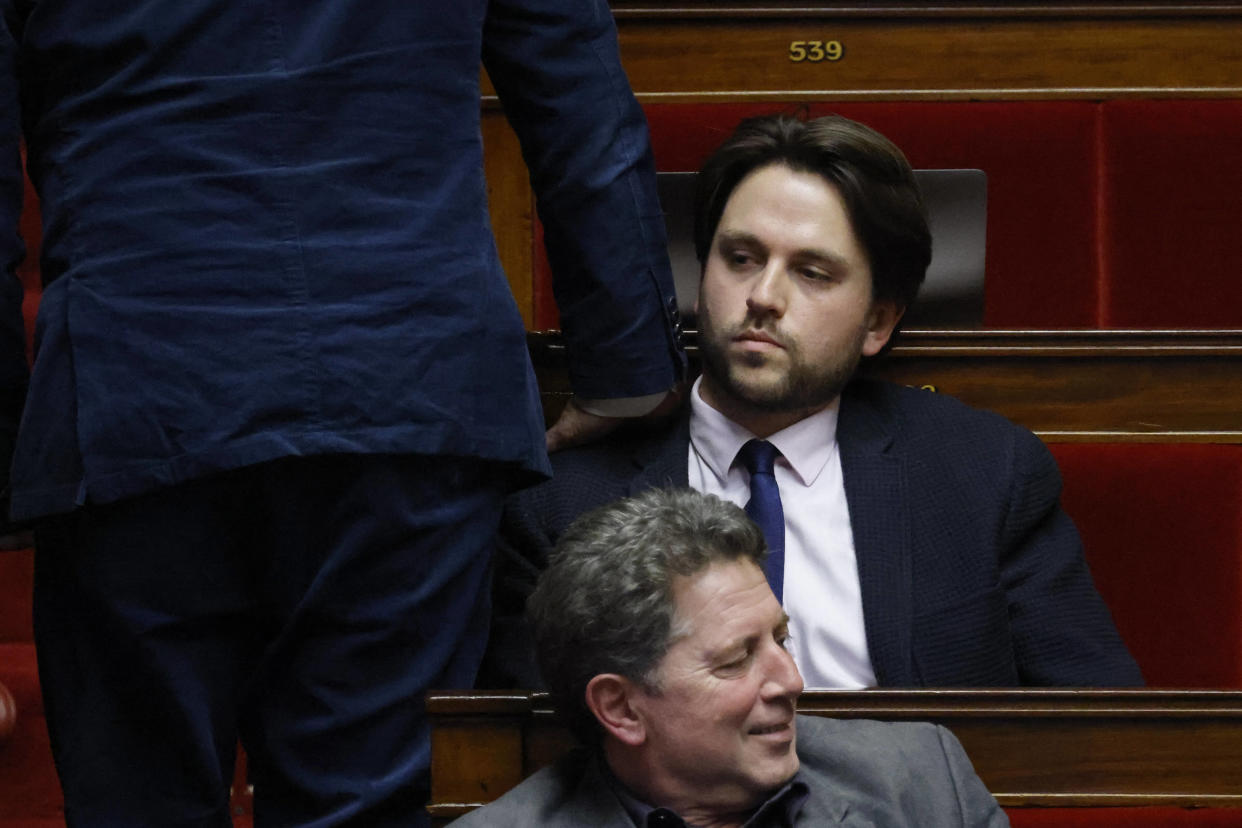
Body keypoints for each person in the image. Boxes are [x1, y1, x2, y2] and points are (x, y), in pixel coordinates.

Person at [0, 2, 684, 826]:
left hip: (137, 387)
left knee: (140, 806)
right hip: (404, 376)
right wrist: (625, 370)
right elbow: (579, 102)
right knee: (369, 809)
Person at [489, 113, 1143, 690]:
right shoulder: (557, 507)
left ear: (878, 323)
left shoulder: (983, 473)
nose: (763, 296)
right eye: (740, 258)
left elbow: (1094, 736)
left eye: (812, 273)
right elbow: (530, 760)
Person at [457, 488, 1008, 827]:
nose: (790, 681)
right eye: (736, 660)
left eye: (780, 639)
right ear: (620, 707)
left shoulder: (922, 784)